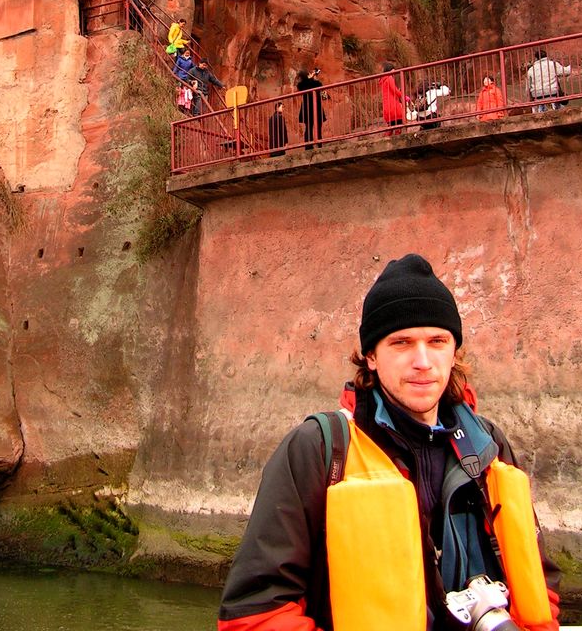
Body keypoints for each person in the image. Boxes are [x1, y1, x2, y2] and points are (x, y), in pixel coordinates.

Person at [218, 253, 561, 631]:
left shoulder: (488, 444)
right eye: (401, 343)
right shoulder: (318, 449)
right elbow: (256, 612)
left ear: (454, 350)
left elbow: (539, 582)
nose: (423, 361)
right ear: (371, 356)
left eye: (437, 341)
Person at [297, 68, 326, 149]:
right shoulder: (315, 83)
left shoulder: (302, 84)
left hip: (307, 110)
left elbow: (301, 86)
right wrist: (314, 78)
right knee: (318, 128)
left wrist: (312, 78)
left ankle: (308, 146)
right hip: (316, 108)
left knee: (308, 128)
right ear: (307, 75)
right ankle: (319, 145)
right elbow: (324, 95)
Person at [378, 62, 406, 133]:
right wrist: (403, 96)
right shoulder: (389, 78)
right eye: (393, 70)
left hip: (387, 108)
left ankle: (385, 141)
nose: (394, 73)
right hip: (393, 107)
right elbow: (394, 90)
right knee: (399, 125)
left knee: (391, 127)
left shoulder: (383, 80)